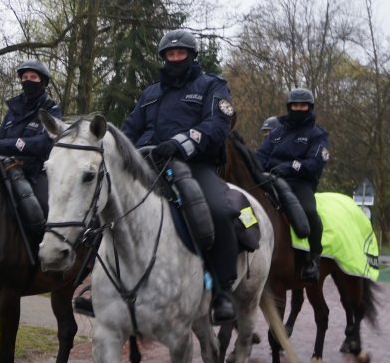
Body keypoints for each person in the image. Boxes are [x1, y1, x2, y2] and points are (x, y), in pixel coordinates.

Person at [122, 29, 239, 325]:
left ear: (191, 55)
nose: (175, 59)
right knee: (111, 202)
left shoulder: (211, 85)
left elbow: (218, 124)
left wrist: (181, 142)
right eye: (170, 55)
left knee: (218, 210)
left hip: (194, 163)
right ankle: (101, 282)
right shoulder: (150, 93)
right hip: (148, 162)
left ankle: (222, 290)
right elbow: (130, 129)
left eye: (180, 54)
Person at [256, 87, 330, 282]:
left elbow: (315, 163)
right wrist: (254, 168)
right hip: (270, 178)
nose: (298, 109)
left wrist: (289, 167)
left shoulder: (317, 135)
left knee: (310, 211)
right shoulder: (277, 132)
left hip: (299, 182)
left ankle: (314, 258)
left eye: (302, 106)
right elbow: (261, 154)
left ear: (309, 107)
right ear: (289, 107)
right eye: (295, 105)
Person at [0, 59, 62, 216]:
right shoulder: (13, 110)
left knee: (44, 209)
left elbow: (44, 143)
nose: (28, 81)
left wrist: (9, 145)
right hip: (6, 169)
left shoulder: (51, 110)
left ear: (43, 82)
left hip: (35, 173)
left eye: (33, 77)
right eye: (25, 77)